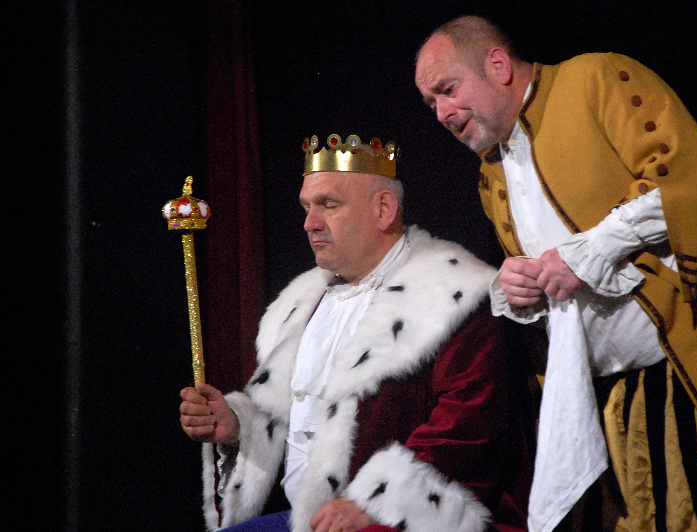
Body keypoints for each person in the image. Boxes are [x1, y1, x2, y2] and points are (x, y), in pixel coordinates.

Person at [415, 15, 697, 532]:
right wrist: (519, 286)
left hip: (691, 371)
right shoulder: (493, 170)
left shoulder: (593, 79)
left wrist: (587, 253)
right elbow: (558, 282)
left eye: (448, 90)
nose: (442, 113)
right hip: (612, 397)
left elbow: (685, 179)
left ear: (498, 65)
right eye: (431, 104)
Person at [179, 133, 531, 532]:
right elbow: (294, 421)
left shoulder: (455, 294)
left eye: (329, 205)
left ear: (383, 209)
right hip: (303, 521)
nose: (310, 223)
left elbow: (467, 430)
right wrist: (237, 424)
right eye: (307, 207)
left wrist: (374, 503)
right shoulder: (299, 301)